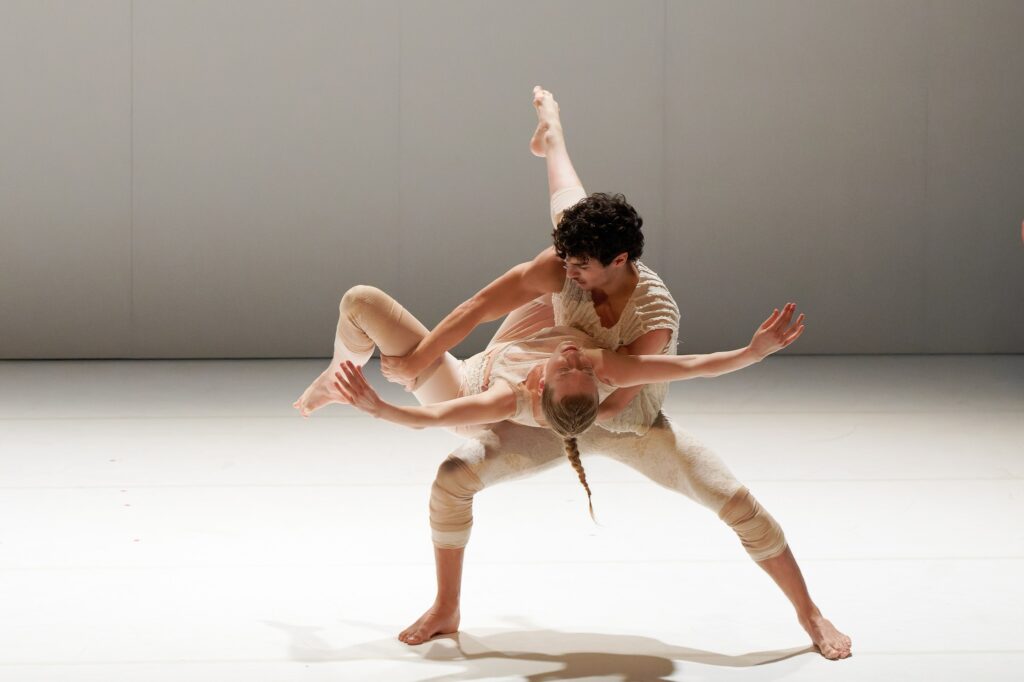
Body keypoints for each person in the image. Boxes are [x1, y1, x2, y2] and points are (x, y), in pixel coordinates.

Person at [294, 86, 851, 659]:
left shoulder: (649, 321)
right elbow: (480, 306)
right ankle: (446, 605)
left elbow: (648, 385)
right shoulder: (571, 262)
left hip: (618, 418)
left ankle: (810, 614)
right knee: (442, 450)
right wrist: (420, 361)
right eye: (566, 260)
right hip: (538, 389)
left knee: (732, 500)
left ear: (620, 261)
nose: (568, 271)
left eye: (580, 265)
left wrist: (749, 354)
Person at [330, 308, 804, 524]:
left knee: (361, 300)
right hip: (493, 360)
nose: (576, 357)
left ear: (539, 384)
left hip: (461, 389)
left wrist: (379, 408)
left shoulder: (511, 397)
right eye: (581, 368)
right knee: (554, 271)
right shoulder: (599, 364)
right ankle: (334, 371)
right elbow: (696, 366)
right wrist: (752, 352)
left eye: (569, 367)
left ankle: (336, 377)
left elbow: (434, 417)